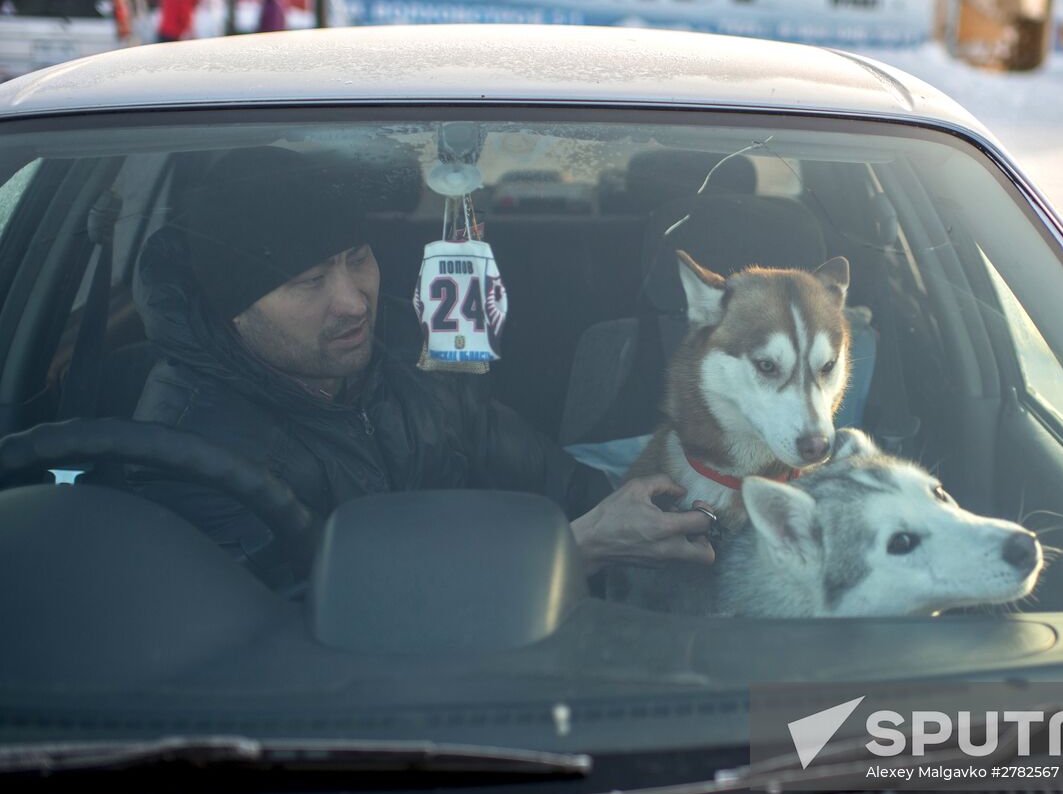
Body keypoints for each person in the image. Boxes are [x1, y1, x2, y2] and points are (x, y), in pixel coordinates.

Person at [132, 146, 715, 593]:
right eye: (309, 281)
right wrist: (577, 549)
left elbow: (553, 480)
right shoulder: (188, 455)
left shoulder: (404, 359)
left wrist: (670, 514)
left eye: (357, 258)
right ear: (234, 311)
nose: (354, 301)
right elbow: (308, 638)